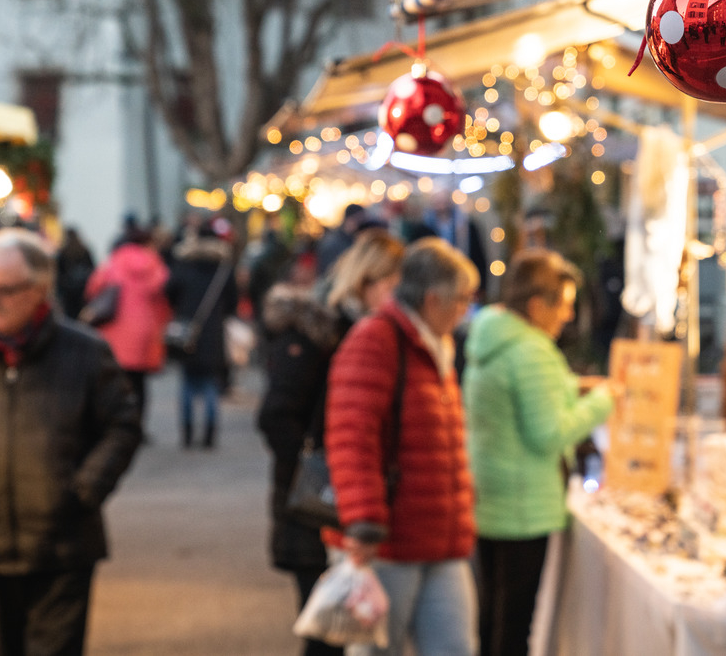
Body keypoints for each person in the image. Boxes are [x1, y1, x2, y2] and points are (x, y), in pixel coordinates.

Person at [0, 227, 141, 656]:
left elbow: (122, 426)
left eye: (7, 289)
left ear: (40, 289)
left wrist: (84, 489)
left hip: (63, 543)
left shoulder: (86, 353)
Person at [325, 237, 480, 656]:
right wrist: (363, 519)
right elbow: (350, 436)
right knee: (379, 649)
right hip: (387, 541)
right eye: (462, 300)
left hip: (442, 539)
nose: (467, 310)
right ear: (433, 300)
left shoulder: (439, 346)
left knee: (456, 646)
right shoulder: (376, 339)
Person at [462, 249, 617, 656]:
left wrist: (576, 388)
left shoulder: (492, 337)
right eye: (564, 305)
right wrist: (604, 400)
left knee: (492, 614)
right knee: (515, 625)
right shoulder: (532, 351)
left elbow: (528, 402)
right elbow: (549, 434)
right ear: (536, 305)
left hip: (491, 493)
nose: (567, 316)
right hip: (524, 505)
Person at [258, 229, 405, 656]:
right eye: (392, 288)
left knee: (341, 629)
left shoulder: (358, 331)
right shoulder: (317, 335)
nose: (398, 301)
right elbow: (275, 416)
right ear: (367, 282)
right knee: (328, 632)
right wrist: (323, 468)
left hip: (333, 503)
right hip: (314, 505)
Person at [85, 224, 173, 435]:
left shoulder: (114, 261)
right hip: (145, 330)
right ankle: (137, 426)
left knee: (116, 381)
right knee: (140, 383)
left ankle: (117, 425)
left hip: (115, 330)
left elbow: (93, 288)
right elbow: (164, 290)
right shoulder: (154, 263)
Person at [166, 217, 238, 449]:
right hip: (213, 333)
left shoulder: (185, 263)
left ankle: (187, 432)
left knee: (187, 383)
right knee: (209, 384)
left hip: (187, 332)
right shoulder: (223, 268)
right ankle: (209, 433)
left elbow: (169, 291)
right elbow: (233, 302)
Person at [55, 227, 95, 319]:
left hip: (68, 292)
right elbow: (92, 269)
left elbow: (58, 276)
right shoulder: (84, 250)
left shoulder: (62, 253)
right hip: (83, 290)